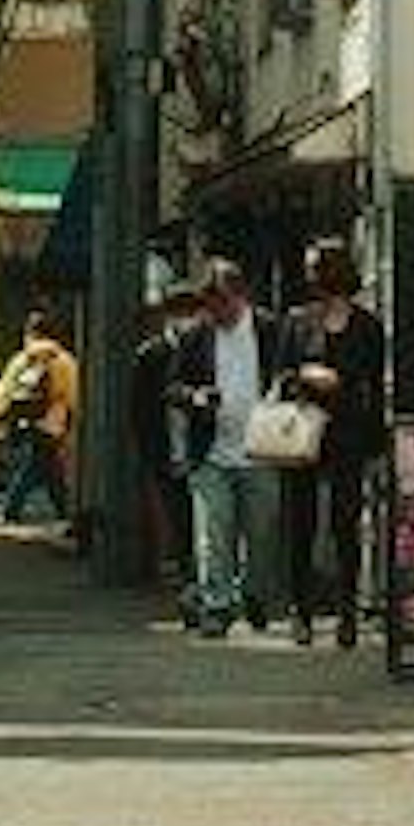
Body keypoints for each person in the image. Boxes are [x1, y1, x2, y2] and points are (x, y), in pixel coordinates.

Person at [276, 235, 387, 649]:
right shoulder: (296, 320)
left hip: (348, 431)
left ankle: (346, 613)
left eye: (314, 266)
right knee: (301, 523)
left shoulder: (366, 325)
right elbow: (281, 374)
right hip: (304, 428)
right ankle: (300, 611)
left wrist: (376, 442)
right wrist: (307, 374)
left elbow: (374, 386)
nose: (308, 274)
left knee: (345, 524)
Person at [167, 255, 278, 635]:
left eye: (223, 304)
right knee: (213, 533)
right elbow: (174, 387)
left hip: (261, 449)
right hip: (211, 451)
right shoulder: (196, 335)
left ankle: (254, 593)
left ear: (240, 296)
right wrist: (196, 397)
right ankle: (217, 603)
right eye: (210, 306)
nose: (217, 313)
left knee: (261, 533)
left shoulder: (268, 329)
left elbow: (286, 370)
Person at [0, 307, 77, 529]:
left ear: (29, 332)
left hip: (28, 422)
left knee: (33, 468)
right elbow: (74, 395)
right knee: (45, 468)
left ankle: (10, 512)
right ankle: (64, 511)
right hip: (55, 422)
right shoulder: (64, 360)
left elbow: (4, 391)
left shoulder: (24, 358)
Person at [124, 299, 185, 585]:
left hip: (191, 443)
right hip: (162, 443)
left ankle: (179, 561)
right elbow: (139, 407)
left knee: (178, 505)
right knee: (164, 504)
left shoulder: (199, 345)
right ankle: (164, 561)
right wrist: (146, 445)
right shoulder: (151, 354)